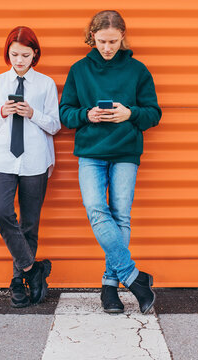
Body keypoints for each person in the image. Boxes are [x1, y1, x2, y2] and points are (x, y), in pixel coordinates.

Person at [59, 10, 161, 314]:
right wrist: (86, 115)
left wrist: (130, 114)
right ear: (92, 37)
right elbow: (65, 113)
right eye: (102, 41)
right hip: (90, 152)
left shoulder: (138, 70)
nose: (107, 47)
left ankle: (109, 287)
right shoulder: (79, 70)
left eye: (113, 41)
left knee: (121, 217)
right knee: (96, 210)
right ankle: (134, 278)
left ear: (123, 38)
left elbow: (153, 113)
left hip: (126, 152)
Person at [0, 26, 61, 307]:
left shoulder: (46, 84)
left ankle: (18, 281)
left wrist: (33, 113)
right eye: (14, 54)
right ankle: (32, 268)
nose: (19, 60)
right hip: (3, 158)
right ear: (8, 53)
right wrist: (3, 112)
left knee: (29, 224)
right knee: (1, 213)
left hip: (35, 160)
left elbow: (55, 125)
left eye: (25, 55)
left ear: (35, 54)